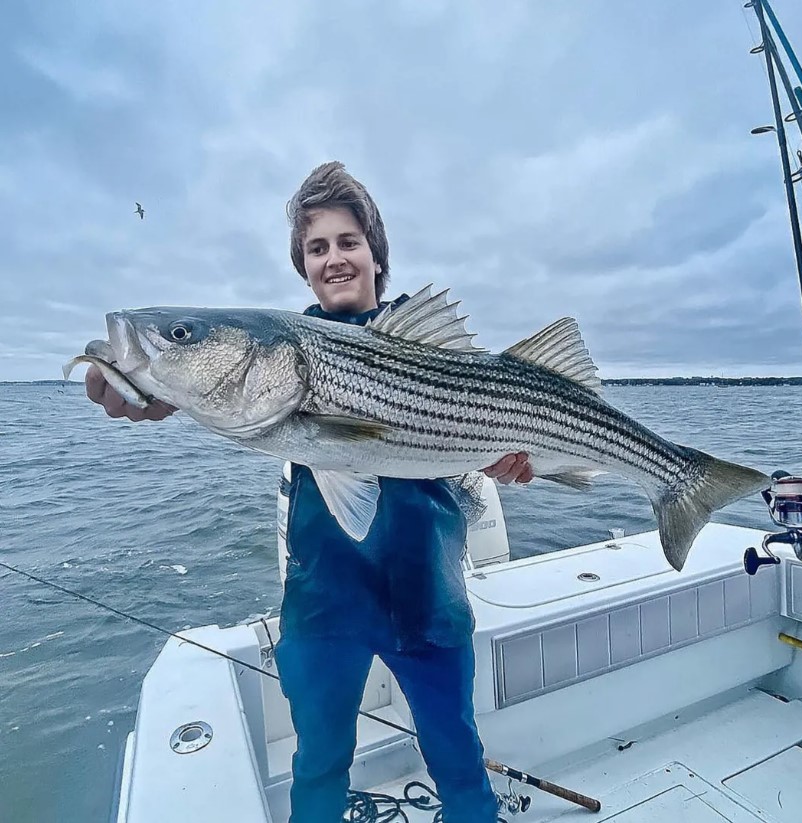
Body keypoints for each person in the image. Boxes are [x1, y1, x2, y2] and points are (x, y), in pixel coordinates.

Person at [86, 161, 533, 823]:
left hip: (429, 595)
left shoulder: (433, 351)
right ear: (303, 267)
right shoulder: (274, 352)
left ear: (376, 256)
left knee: (456, 751)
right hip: (324, 605)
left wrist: (512, 458)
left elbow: (493, 429)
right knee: (317, 761)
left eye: (348, 241)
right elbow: (200, 386)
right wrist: (143, 384)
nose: (334, 258)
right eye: (316, 247)